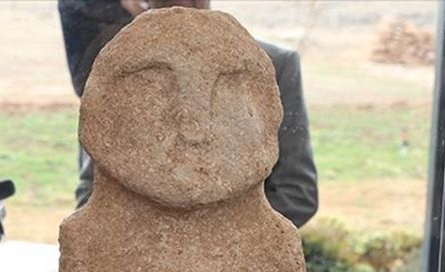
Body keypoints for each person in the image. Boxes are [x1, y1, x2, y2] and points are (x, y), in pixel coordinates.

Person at [59, 0, 319, 229]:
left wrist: (202, 245)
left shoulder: (268, 65)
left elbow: (296, 194)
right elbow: (92, 195)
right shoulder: (123, 69)